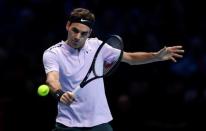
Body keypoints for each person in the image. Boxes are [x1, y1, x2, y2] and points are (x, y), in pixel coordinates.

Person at [42, 8, 184, 131]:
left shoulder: (97, 46)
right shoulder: (53, 53)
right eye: (75, 30)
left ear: (89, 32)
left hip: (99, 122)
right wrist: (60, 93)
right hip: (68, 123)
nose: (78, 37)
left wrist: (156, 56)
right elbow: (51, 79)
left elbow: (130, 58)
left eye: (83, 33)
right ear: (68, 26)